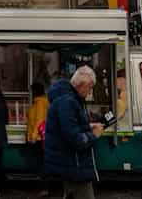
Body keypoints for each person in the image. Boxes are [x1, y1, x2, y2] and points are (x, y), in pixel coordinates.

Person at [43, 66, 104, 199]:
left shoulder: (65, 99)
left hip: (68, 164)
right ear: (82, 85)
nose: (90, 92)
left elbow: (68, 127)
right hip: (74, 166)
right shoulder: (68, 102)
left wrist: (88, 126)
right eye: (90, 87)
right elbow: (75, 139)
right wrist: (93, 135)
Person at [26, 81, 50, 193]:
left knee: (40, 164)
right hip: (41, 138)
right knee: (41, 163)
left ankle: (44, 188)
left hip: (39, 139)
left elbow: (39, 121)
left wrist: (33, 137)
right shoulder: (40, 102)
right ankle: (43, 187)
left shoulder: (40, 103)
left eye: (32, 91)